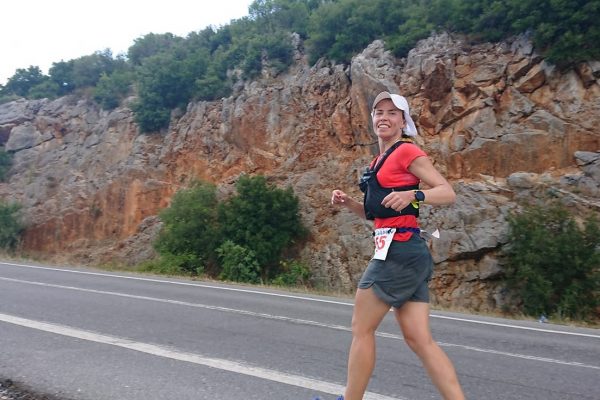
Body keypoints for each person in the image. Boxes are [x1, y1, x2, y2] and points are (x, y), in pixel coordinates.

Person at [330, 91, 465, 400]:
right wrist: (349, 203)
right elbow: (375, 215)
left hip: (398, 251)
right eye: (379, 112)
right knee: (419, 339)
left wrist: (414, 195)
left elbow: (447, 192)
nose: (384, 117)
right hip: (408, 251)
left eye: (392, 113)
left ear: (404, 122)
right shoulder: (378, 161)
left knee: (361, 328)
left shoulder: (406, 151)